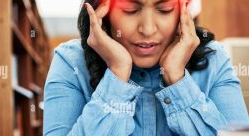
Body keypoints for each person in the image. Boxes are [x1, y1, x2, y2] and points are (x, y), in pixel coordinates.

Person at [43, 0, 249, 135]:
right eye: (130, 10)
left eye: (164, 9)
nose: (148, 29)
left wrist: (178, 80)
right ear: (101, 10)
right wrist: (116, 76)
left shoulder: (214, 59)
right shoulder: (71, 62)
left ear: (184, 10)